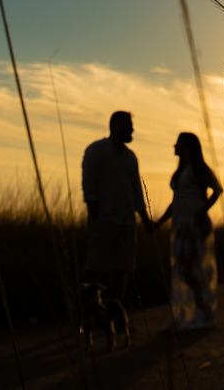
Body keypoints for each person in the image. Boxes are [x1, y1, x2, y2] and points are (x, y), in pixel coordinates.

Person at [81, 111, 153, 304]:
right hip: (104, 219)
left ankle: (115, 314)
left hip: (126, 221)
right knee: (95, 268)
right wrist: (96, 214)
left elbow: (136, 190)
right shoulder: (96, 150)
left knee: (122, 270)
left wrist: (144, 219)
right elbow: (88, 184)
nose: (132, 130)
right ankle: (84, 315)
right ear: (116, 126)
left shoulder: (130, 157)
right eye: (128, 126)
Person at [153, 132, 223, 330]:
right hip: (181, 223)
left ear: (186, 146)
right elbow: (175, 202)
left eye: (178, 143)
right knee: (183, 267)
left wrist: (202, 211)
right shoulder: (181, 170)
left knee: (193, 267)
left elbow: (217, 190)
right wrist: (158, 223)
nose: (174, 146)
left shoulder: (199, 168)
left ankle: (203, 312)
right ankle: (190, 312)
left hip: (194, 223)